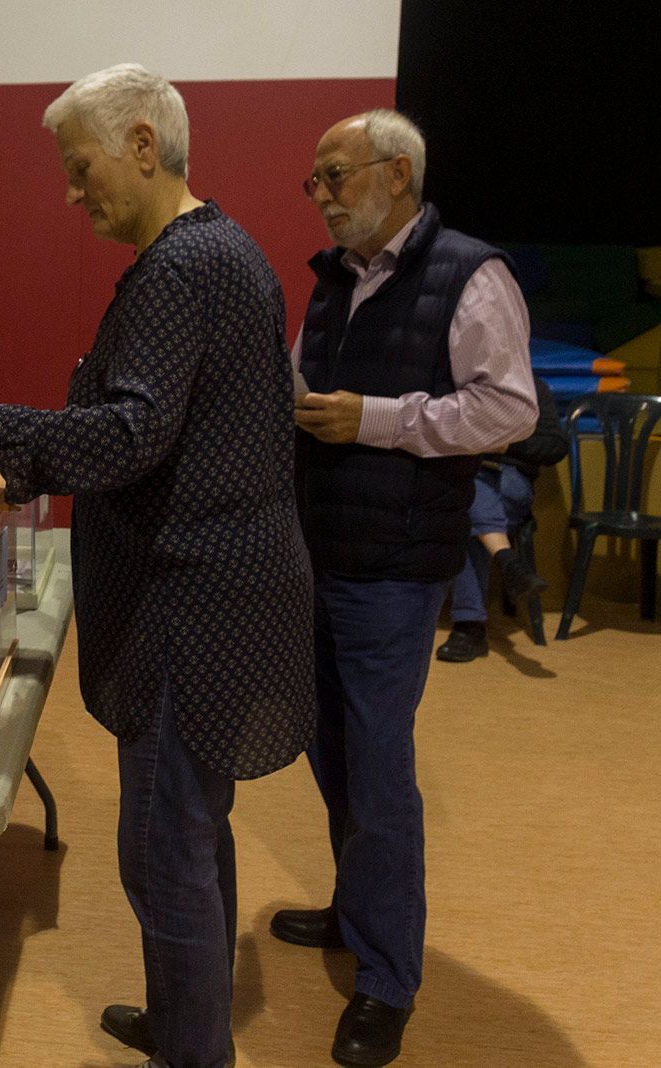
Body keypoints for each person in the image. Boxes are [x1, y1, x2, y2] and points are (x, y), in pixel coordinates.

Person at [0, 63, 313, 1068]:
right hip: (221, 588)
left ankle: (189, 1052)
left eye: (80, 169)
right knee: (194, 838)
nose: (71, 193)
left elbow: (126, 439)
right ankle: (183, 1025)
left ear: (139, 144)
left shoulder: (179, 266)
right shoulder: (223, 252)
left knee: (167, 851)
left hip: (188, 603)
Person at [283, 109, 537, 1066]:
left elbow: (510, 409)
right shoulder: (330, 281)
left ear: (397, 174)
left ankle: (388, 980)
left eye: (334, 175)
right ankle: (359, 913)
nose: (319, 193)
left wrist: (375, 419)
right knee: (333, 753)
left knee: (380, 773)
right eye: (316, 179)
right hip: (320, 552)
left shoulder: (472, 273)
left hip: (393, 568)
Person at [436, 374, 567, 661]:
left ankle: (469, 628)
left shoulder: (532, 385)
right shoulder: (461, 381)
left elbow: (555, 447)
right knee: (467, 501)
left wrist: (506, 446)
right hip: (467, 474)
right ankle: (507, 561)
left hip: (511, 479)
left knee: (465, 508)